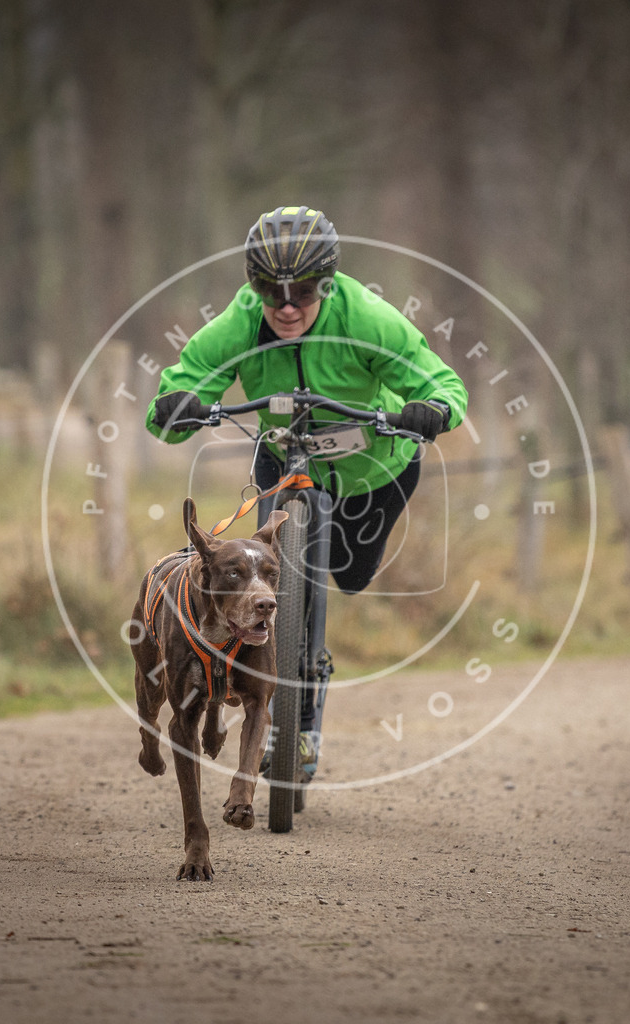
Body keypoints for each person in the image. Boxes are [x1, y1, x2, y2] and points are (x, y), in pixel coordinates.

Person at [146, 205, 469, 776]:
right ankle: (282, 719)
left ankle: (311, 666)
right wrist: (176, 407)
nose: (288, 305)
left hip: (375, 471)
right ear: (254, 286)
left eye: (304, 290)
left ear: (329, 282)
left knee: (350, 575)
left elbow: (439, 380)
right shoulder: (242, 321)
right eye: (272, 291)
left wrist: (434, 408)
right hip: (284, 459)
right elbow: (182, 385)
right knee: (265, 578)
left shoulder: (366, 317)